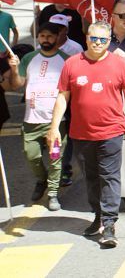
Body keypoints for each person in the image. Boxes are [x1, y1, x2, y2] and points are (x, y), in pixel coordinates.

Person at [47, 21, 125, 248]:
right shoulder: (71, 64)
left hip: (112, 132)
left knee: (110, 177)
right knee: (91, 178)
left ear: (109, 41)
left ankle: (109, 224)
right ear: (86, 38)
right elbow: (62, 97)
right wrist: (54, 127)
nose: (98, 43)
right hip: (81, 134)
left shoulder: (119, 64)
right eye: (94, 38)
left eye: (103, 40)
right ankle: (97, 215)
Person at [9, 23, 67, 211]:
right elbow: (18, 85)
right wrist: (15, 70)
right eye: (42, 36)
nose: (45, 40)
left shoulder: (66, 60)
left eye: (49, 36)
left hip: (56, 123)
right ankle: (42, 180)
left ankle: (52, 194)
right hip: (31, 121)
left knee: (55, 158)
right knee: (31, 155)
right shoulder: (29, 58)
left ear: (58, 36)